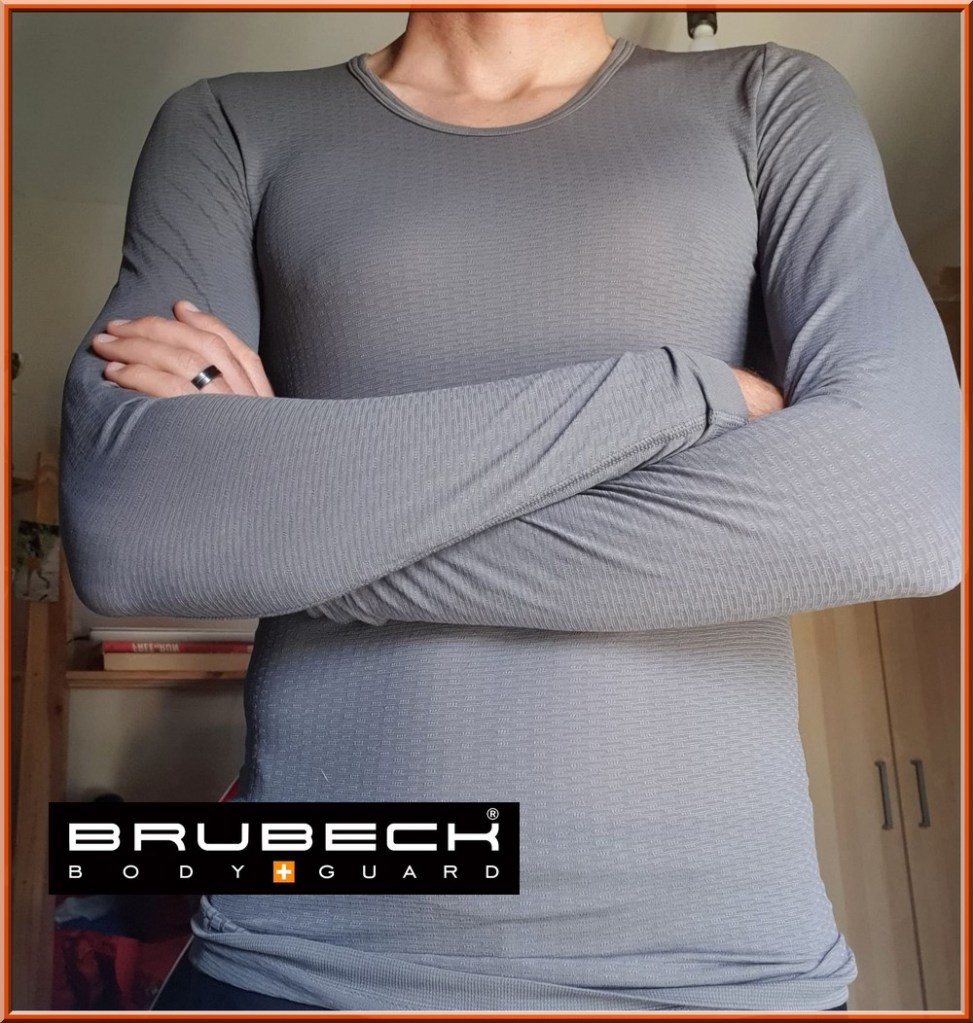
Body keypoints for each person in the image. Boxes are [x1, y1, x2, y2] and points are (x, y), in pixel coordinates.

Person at [59, 9, 960, 1013]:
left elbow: (903, 511)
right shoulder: (229, 126)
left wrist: (304, 540)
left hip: (721, 971)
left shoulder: (768, 102)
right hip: (303, 956)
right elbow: (134, 529)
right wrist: (670, 395)